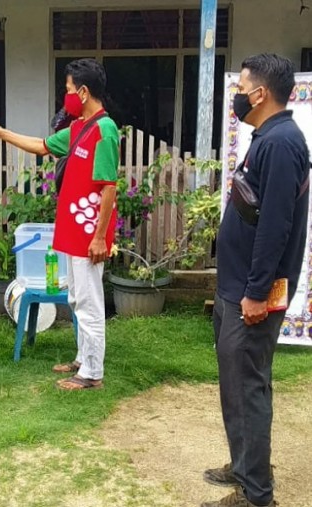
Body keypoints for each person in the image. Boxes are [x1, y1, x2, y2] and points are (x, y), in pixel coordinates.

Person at [202, 54, 309, 507]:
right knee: (236, 382)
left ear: (260, 93)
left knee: (248, 387)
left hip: (253, 291)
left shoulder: (282, 143)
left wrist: (256, 292)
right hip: (236, 286)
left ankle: (257, 494)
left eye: (241, 87)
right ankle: (246, 464)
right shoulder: (266, 137)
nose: (237, 95)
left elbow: (275, 228)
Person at [0, 58, 119, 390]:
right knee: (75, 299)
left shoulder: (104, 129)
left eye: (68, 90)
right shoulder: (78, 128)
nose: (65, 96)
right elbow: (41, 146)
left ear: (83, 92)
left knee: (89, 301)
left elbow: (109, 186)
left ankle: (92, 374)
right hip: (73, 231)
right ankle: (83, 359)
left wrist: (101, 238)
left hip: (89, 234)